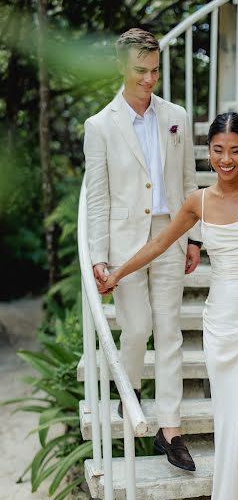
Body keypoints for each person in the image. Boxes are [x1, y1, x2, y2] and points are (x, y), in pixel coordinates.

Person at [98, 112, 238, 500]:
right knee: (230, 420)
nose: (226, 159)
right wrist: (117, 272)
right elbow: (159, 244)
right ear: (208, 151)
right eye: (218, 150)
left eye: (236, 150)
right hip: (221, 322)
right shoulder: (198, 202)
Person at [83, 28, 202, 472]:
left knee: (170, 331)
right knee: (137, 329)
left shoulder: (177, 116)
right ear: (120, 66)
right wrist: (99, 254)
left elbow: (189, 183)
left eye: (155, 70)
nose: (150, 79)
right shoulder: (99, 126)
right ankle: (128, 389)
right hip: (124, 242)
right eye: (140, 71)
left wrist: (193, 237)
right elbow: (97, 196)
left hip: (169, 234)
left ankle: (170, 429)